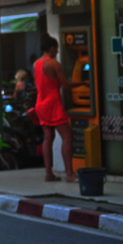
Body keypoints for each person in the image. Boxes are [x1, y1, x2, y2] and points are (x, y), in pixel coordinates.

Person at [34, 35, 85, 182]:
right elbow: (66, 84)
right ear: (52, 48)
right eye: (56, 48)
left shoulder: (36, 64)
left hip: (41, 104)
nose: (57, 51)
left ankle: (48, 173)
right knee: (67, 137)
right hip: (53, 104)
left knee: (48, 138)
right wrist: (84, 83)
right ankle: (69, 174)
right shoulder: (53, 64)